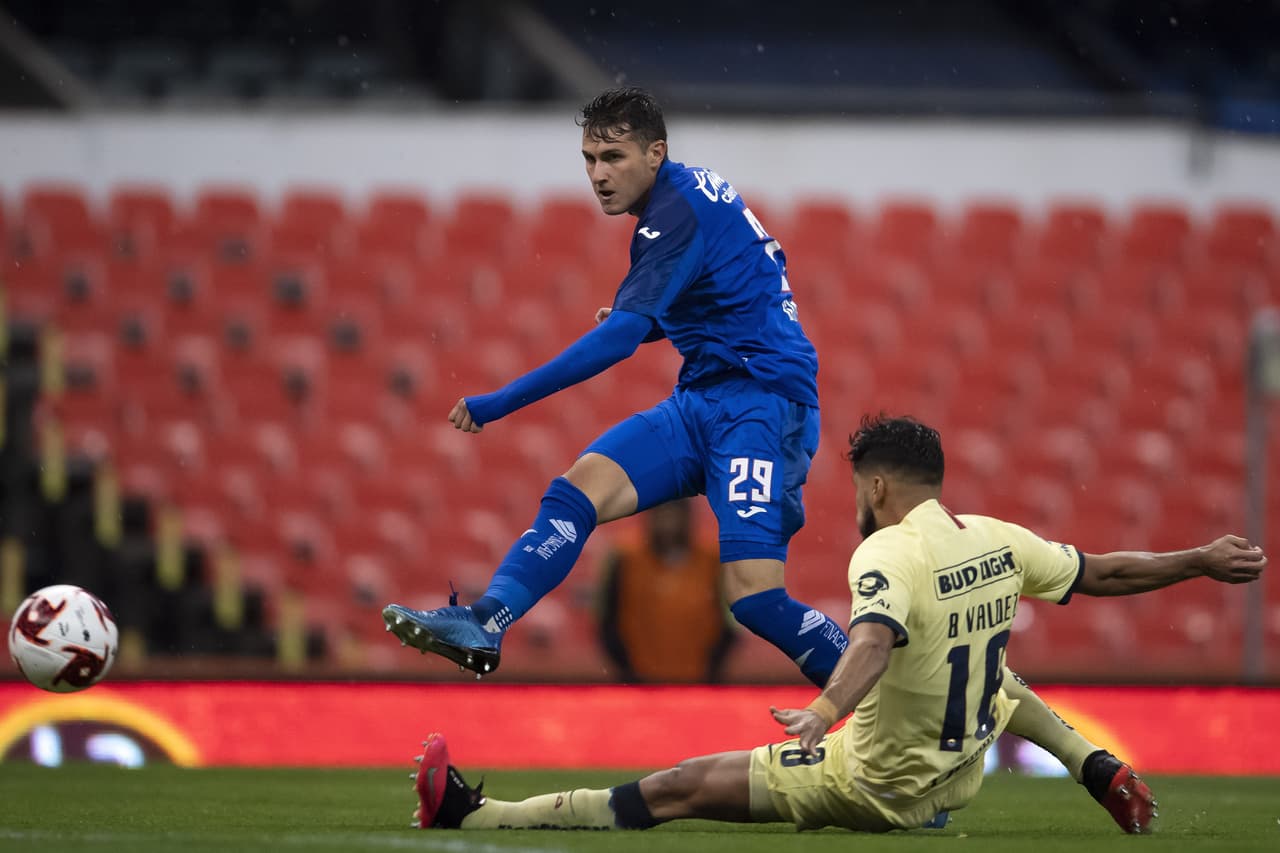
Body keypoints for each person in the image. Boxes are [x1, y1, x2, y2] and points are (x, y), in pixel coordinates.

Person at [405, 415, 1267, 834]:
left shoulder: (886, 555)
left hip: (873, 780)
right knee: (985, 665)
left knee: (680, 786)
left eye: (858, 487)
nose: (854, 502)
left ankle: (476, 820)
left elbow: (869, 641)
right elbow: (1105, 571)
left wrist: (823, 714)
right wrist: (1198, 559)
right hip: (957, 767)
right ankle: (1094, 763)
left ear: (881, 486)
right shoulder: (1000, 540)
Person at [383, 86, 850, 685]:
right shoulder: (687, 194)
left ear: (655, 153)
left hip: (761, 405)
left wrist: (498, 403)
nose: (599, 175)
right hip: (705, 397)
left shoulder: (672, 216)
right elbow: (733, 293)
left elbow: (617, 342)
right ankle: (486, 620)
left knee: (754, 599)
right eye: (589, 160)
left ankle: (896, 691)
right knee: (576, 492)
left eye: (614, 158)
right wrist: (646, 321)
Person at [599, 498, 736, 683]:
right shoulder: (625, 558)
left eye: (673, 513)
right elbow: (606, 618)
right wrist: (627, 669)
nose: (668, 522)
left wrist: (712, 669)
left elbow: (730, 622)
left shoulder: (711, 560)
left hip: (698, 680)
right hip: (639, 679)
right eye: (661, 514)